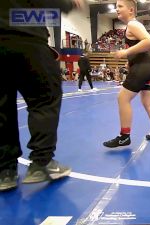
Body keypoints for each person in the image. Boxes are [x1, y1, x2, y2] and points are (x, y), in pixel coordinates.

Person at [0, 0, 85, 191]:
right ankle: (41, 162)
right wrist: (69, 3)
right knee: (45, 99)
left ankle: (4, 171)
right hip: (25, 37)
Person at [103, 0, 150, 148]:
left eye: (120, 6)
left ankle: (124, 136)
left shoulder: (133, 24)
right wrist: (130, 62)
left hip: (143, 68)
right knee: (147, 102)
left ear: (131, 10)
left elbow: (149, 42)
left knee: (122, 98)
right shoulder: (132, 26)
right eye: (116, 6)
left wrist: (126, 52)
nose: (117, 9)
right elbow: (141, 49)